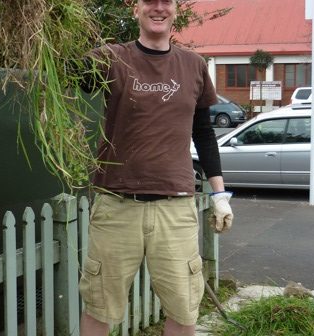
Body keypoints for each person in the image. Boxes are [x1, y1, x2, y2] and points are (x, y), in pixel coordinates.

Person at [78, 0, 234, 335]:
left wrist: (220, 195)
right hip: (116, 205)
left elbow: (204, 135)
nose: (159, 8)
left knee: (183, 310)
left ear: (176, 9)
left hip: (175, 210)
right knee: (99, 307)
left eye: (167, 1)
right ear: (136, 9)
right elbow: (76, 77)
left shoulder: (193, 66)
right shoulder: (112, 58)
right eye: (151, 1)